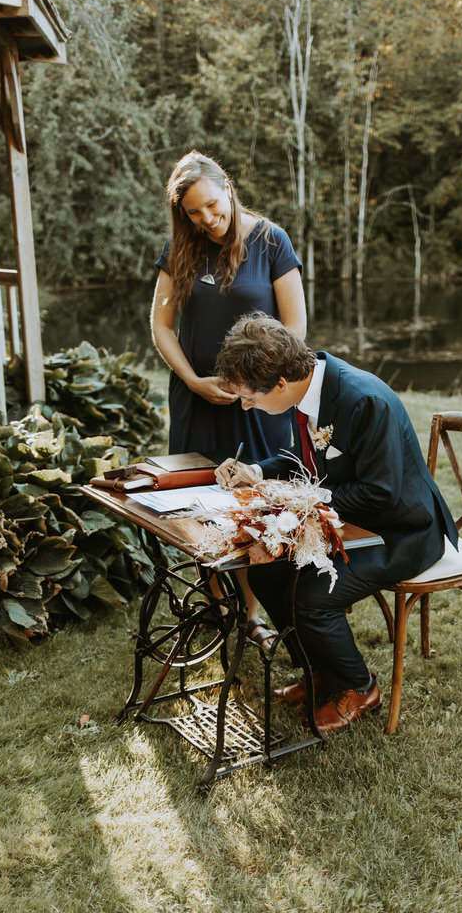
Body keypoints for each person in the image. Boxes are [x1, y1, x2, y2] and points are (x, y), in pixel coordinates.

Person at [214, 314, 458, 733]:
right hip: (352, 523)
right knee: (268, 573)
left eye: (249, 398)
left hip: (404, 530)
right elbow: (310, 465)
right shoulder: (308, 390)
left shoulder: (364, 400)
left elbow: (382, 492)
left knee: (312, 593)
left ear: (279, 384)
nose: (245, 406)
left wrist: (299, 503)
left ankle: (358, 687)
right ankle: (319, 675)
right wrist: (257, 471)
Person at [151, 151, 306, 647]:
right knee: (200, 503)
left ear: (228, 189)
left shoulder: (271, 241)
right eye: (194, 213)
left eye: (213, 206)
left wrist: (256, 387)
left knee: (253, 502)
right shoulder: (181, 249)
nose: (207, 220)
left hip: (256, 402)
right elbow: (160, 326)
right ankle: (216, 609)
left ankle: (254, 615)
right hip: (196, 399)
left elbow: (295, 328)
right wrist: (195, 380)